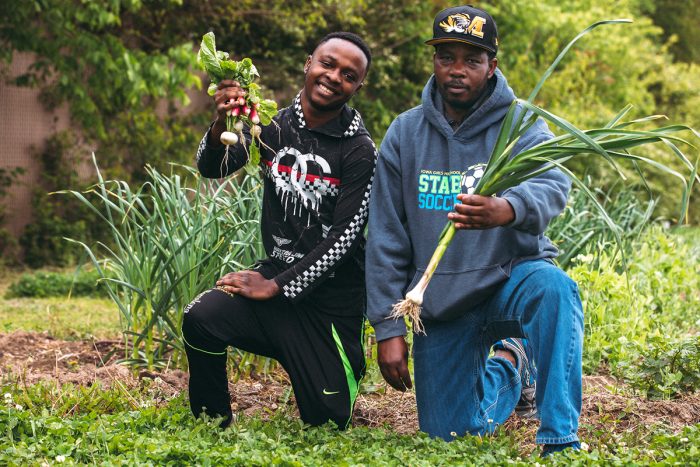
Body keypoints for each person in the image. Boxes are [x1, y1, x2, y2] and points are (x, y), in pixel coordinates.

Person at [366, 5, 583, 456]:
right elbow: (385, 235)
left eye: (472, 59)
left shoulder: (520, 122)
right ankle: (509, 366)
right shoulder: (406, 133)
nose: (457, 70)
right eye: (447, 57)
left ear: (492, 66)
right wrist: (389, 329)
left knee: (555, 289)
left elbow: (554, 182)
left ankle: (559, 438)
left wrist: (507, 209)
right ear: (434, 61)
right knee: (452, 435)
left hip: (509, 276)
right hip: (439, 302)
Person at [182, 31, 376, 429]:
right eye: (327, 63)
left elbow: (345, 238)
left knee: (327, 423)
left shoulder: (359, 150)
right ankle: (210, 423)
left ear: (358, 85)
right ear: (308, 63)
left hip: (331, 306)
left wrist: (276, 286)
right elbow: (211, 168)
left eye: (348, 74)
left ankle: (332, 370)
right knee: (200, 316)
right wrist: (222, 121)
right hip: (278, 281)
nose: (334, 76)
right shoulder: (270, 127)